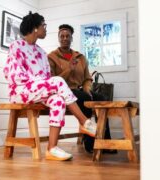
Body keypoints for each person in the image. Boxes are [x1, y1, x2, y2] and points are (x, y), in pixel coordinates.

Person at [3, 12, 97, 161]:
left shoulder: (41, 53)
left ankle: (51, 148)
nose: (45, 29)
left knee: (58, 100)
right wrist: (37, 81)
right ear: (35, 28)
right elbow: (12, 74)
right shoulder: (16, 47)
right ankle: (84, 121)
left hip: (38, 91)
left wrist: (41, 83)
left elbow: (47, 78)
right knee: (58, 81)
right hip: (21, 91)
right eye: (43, 26)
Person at [48, 24, 117, 154]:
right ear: (58, 38)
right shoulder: (51, 57)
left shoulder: (80, 57)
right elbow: (52, 81)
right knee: (84, 99)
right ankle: (91, 143)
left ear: (71, 38)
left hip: (80, 91)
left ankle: (106, 141)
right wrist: (69, 69)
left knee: (102, 99)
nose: (64, 38)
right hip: (64, 93)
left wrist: (87, 89)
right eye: (62, 36)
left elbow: (87, 78)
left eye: (67, 36)